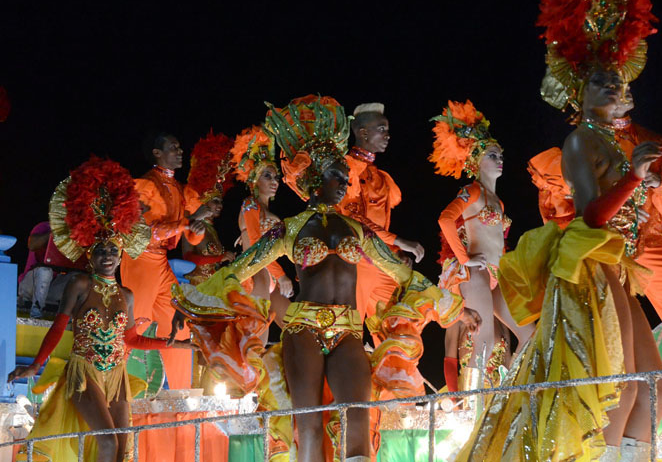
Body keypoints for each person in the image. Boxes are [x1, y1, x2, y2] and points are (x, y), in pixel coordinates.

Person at [171, 95, 478, 462]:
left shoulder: (356, 229)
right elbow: (240, 269)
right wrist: (198, 304)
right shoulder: (289, 229)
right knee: (309, 427)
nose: (345, 182)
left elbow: (403, 274)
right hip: (303, 328)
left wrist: (458, 311)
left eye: (346, 178)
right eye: (338, 175)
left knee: (358, 421)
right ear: (316, 177)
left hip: (348, 329)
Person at [458, 0, 662, 462]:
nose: (612, 83)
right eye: (599, 79)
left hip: (616, 265)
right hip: (589, 265)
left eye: (615, 77)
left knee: (655, 384)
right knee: (616, 388)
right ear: (578, 93)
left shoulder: (611, 141)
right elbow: (592, 214)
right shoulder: (579, 142)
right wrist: (634, 177)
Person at [8, 157, 193, 462]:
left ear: (121, 255)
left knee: (122, 448)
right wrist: (35, 365)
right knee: (107, 443)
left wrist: (175, 344)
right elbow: (58, 327)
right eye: (101, 251)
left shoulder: (126, 295)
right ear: (90, 255)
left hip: (117, 376)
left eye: (112, 250)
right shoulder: (80, 284)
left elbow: (131, 339)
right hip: (84, 373)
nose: (107, 255)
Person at [431, 100, 533, 391]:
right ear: (476, 161)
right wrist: (464, 259)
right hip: (475, 274)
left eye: (500, 155)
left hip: (495, 274)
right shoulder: (472, 190)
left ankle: (509, 397)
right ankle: (473, 408)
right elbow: (445, 219)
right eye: (492, 155)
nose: (499, 160)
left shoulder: (498, 202)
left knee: (529, 334)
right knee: (484, 341)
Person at [120, 132, 213, 389]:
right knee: (135, 324)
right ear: (157, 153)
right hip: (140, 260)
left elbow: (192, 237)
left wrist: (197, 226)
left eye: (180, 147)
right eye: (174, 147)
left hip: (161, 261)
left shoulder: (181, 190)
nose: (180, 152)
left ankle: (181, 394)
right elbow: (147, 233)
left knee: (179, 324)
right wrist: (187, 223)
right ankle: (111, 386)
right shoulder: (144, 186)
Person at [337, 102, 425, 327]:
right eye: (382, 129)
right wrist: (397, 241)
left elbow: (380, 225)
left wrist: (394, 251)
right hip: (354, 262)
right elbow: (354, 218)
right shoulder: (347, 170)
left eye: (387, 129)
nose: (387, 135)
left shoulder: (380, 177)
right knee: (348, 331)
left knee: (399, 330)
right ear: (363, 132)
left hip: (380, 264)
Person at [231, 123, 294, 327]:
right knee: (257, 335)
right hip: (254, 272)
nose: (274, 181)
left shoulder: (269, 212)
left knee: (294, 327)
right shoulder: (250, 204)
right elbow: (256, 243)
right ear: (255, 180)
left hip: (270, 275)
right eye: (267, 176)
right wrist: (281, 275)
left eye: (276, 177)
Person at [181, 130, 237, 285]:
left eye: (221, 202)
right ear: (204, 202)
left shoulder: (212, 229)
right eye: (215, 201)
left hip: (213, 286)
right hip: (197, 286)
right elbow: (188, 258)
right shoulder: (191, 223)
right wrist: (220, 258)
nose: (220, 205)